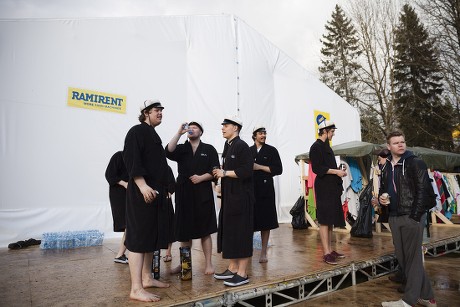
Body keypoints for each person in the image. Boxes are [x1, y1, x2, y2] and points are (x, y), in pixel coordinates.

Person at [378, 131, 436, 307]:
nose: (400, 145)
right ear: (389, 147)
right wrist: (382, 199)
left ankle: (408, 302)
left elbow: (423, 192)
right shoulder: (386, 166)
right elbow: (383, 188)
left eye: (402, 142)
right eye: (396, 143)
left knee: (412, 259)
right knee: (405, 260)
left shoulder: (415, 163)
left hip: (412, 216)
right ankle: (427, 296)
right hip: (394, 216)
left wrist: (415, 217)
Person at [122, 99, 170, 302]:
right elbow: (132, 159)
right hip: (142, 192)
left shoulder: (154, 135)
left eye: (161, 110)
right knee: (138, 239)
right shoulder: (136, 132)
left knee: (151, 237)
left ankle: (147, 277)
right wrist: (142, 185)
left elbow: (160, 165)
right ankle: (136, 288)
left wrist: (167, 187)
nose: (160, 113)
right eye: (156, 110)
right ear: (145, 113)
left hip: (156, 193)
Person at [165, 121, 219, 275]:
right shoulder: (182, 148)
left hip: (202, 192)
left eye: (195, 127)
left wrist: (202, 178)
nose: (191, 129)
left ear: (201, 132)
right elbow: (168, 151)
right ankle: (184, 264)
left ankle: (208, 264)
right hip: (184, 192)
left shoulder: (209, 149)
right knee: (184, 231)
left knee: (205, 230)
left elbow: (216, 170)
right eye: (190, 127)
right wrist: (179, 132)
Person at [212, 116, 255, 287]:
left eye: (226, 125)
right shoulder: (228, 145)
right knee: (230, 232)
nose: (222, 128)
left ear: (236, 128)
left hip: (242, 198)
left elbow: (247, 170)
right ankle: (233, 267)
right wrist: (221, 179)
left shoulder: (242, 146)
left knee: (241, 233)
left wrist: (225, 173)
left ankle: (243, 273)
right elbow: (228, 169)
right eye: (222, 125)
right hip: (230, 197)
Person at [308, 120, 347, 265]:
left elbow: (328, 167)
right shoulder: (316, 147)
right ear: (325, 131)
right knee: (324, 220)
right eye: (332, 131)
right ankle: (326, 253)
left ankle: (330, 250)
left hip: (331, 186)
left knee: (330, 219)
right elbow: (317, 168)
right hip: (324, 186)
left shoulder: (327, 146)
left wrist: (339, 171)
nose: (333, 133)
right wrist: (336, 171)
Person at [250, 125, 283, 263]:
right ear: (254, 135)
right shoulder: (248, 150)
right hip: (250, 190)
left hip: (266, 190)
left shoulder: (271, 150)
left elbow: (278, 169)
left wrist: (259, 167)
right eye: (260, 133)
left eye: (264, 133)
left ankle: (263, 252)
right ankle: (248, 251)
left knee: (266, 221)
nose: (263, 135)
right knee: (250, 221)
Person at [105, 150, 129, 264]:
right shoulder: (119, 156)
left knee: (130, 225)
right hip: (119, 195)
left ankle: (121, 254)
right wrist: (124, 183)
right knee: (129, 224)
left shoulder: (137, 158)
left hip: (131, 195)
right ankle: (120, 255)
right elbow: (109, 175)